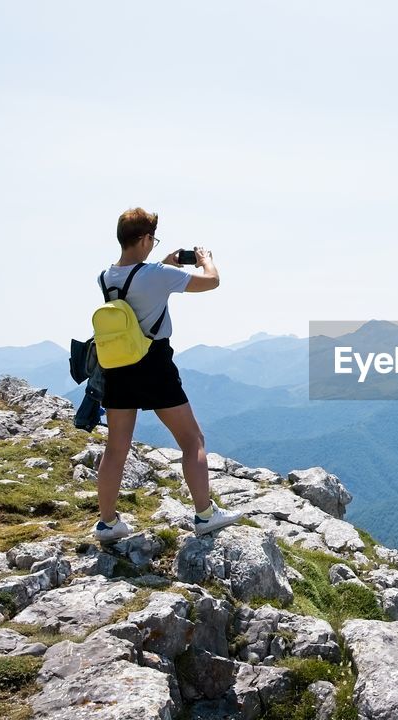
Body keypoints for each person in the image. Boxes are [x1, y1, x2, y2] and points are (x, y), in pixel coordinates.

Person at [92, 207, 243, 542]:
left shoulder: (106, 276)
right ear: (145, 238)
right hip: (154, 364)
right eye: (152, 239)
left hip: (116, 365)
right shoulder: (157, 275)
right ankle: (205, 514)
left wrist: (166, 263)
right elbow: (212, 282)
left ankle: (107, 523)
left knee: (116, 447)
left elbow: (139, 282)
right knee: (192, 440)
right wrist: (205, 259)